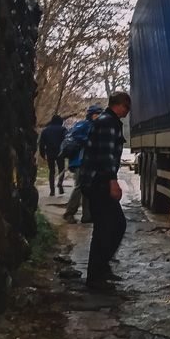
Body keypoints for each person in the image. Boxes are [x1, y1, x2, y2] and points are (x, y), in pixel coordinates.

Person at [80, 91, 130, 292]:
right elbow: (106, 154)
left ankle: (101, 269)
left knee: (112, 225)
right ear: (120, 105)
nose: (127, 113)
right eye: (127, 108)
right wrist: (112, 182)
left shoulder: (104, 121)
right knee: (110, 226)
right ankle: (95, 276)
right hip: (98, 182)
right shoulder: (108, 123)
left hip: (94, 181)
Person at [61, 106, 102, 224]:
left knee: (88, 188)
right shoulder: (83, 125)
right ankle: (69, 213)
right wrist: (89, 140)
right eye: (97, 114)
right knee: (80, 186)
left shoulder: (96, 126)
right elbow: (74, 135)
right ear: (91, 115)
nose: (99, 116)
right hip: (80, 161)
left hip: (90, 162)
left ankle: (87, 215)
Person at [38, 114, 68, 196]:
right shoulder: (63, 129)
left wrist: (42, 154)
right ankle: (60, 183)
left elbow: (41, 144)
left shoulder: (45, 130)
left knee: (52, 171)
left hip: (49, 153)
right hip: (60, 153)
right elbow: (67, 140)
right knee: (61, 169)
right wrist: (66, 152)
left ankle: (52, 191)